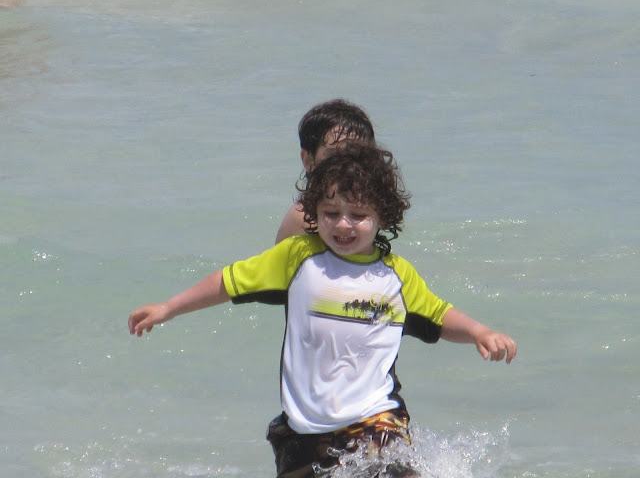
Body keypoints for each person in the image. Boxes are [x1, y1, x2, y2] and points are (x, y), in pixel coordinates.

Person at [128, 143, 517, 478]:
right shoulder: (298, 258)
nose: (343, 225)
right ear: (314, 212)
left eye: (358, 215)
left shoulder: (396, 276)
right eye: (330, 213)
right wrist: (169, 307)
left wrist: (479, 332)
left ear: (383, 216)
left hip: (375, 418)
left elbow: (438, 315)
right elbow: (228, 282)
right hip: (303, 429)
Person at [275, 98, 376, 244]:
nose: (348, 165)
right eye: (335, 156)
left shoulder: (372, 209)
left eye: (358, 155)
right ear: (308, 161)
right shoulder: (304, 218)